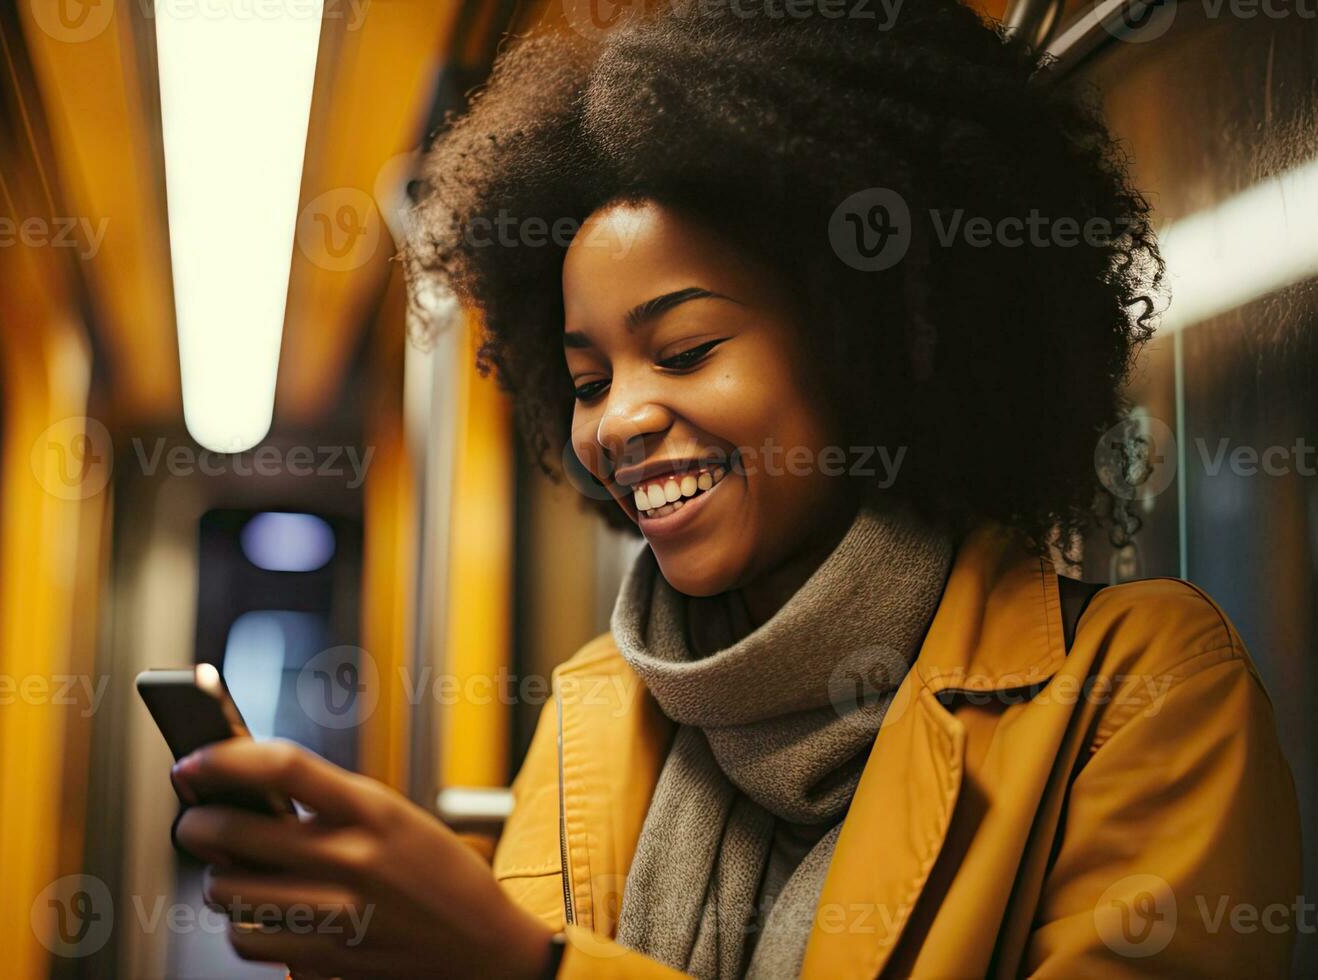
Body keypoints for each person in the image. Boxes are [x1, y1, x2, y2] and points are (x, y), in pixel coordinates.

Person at [171, 3, 1301, 976]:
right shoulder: (595, 708)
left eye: (685, 348)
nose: (614, 421)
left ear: (868, 346)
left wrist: (525, 967)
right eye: (584, 378)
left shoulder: (1139, 690)